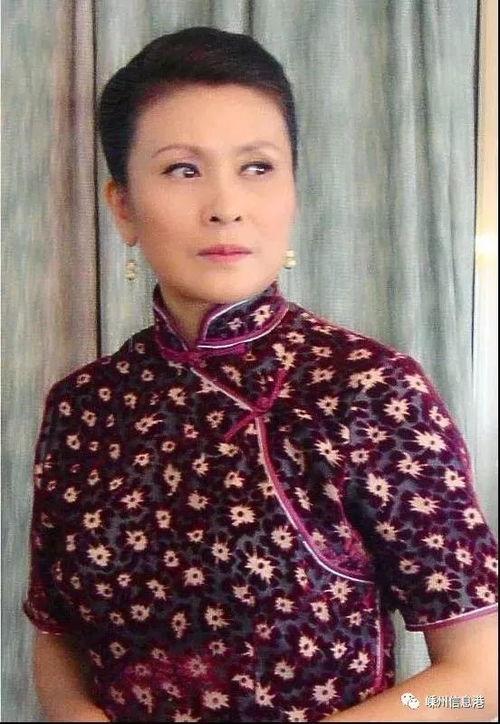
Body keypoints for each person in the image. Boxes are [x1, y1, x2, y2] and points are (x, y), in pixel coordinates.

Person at [22, 26, 497, 723]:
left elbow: (477, 680)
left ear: (293, 192)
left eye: (257, 167)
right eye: (183, 170)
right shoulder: (83, 406)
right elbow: (57, 635)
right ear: (123, 207)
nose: (226, 205)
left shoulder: (369, 389)